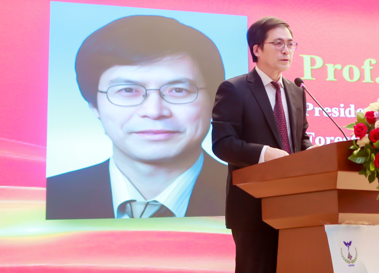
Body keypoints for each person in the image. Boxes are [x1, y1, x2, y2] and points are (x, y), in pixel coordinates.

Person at [46, 15, 227, 219]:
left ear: (215, 102)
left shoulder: (252, 195)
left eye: (178, 90)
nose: (154, 111)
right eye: (128, 90)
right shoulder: (43, 198)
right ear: (94, 105)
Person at [211, 17, 312, 273]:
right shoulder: (234, 89)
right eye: (277, 43)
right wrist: (266, 154)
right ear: (256, 49)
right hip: (253, 209)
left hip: (295, 207)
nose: (286, 50)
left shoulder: (297, 91)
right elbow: (223, 144)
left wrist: (312, 154)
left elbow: (300, 139)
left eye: (290, 44)